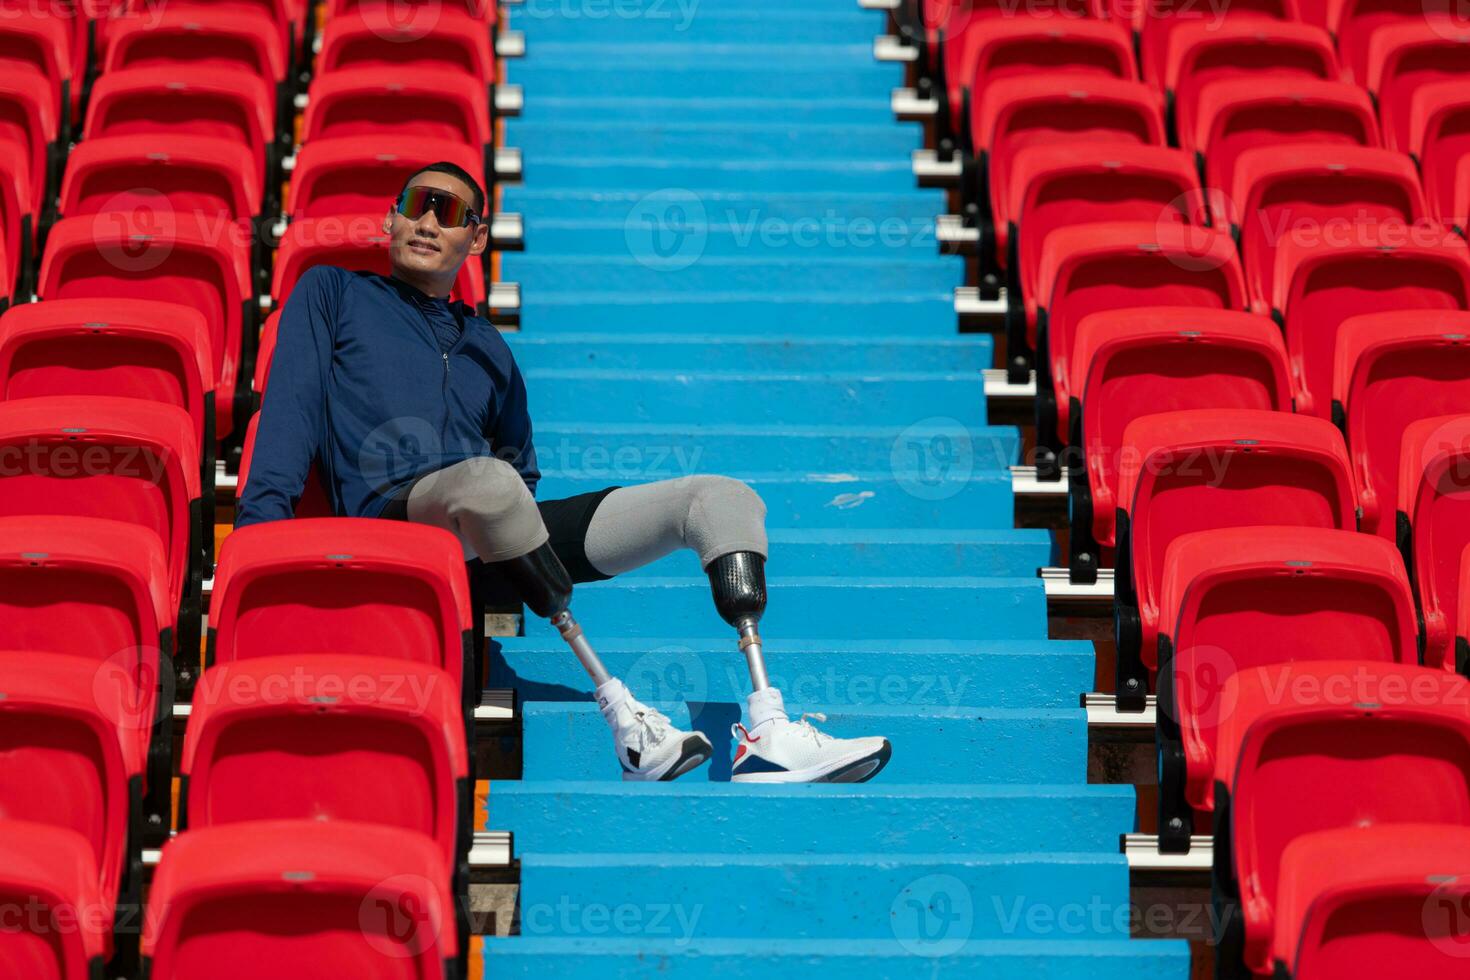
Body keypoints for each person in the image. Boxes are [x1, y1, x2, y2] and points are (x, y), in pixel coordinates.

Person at [237, 162, 892, 783]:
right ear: (390, 221)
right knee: (492, 486)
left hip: (490, 530)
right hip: (393, 517)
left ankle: (767, 732)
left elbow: (522, 466)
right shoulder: (334, 292)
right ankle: (626, 721)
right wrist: (260, 533)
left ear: (476, 237)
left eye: (450, 210)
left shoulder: (488, 347)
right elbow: (289, 409)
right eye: (415, 205)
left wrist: (503, 537)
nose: (429, 221)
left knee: (720, 499)